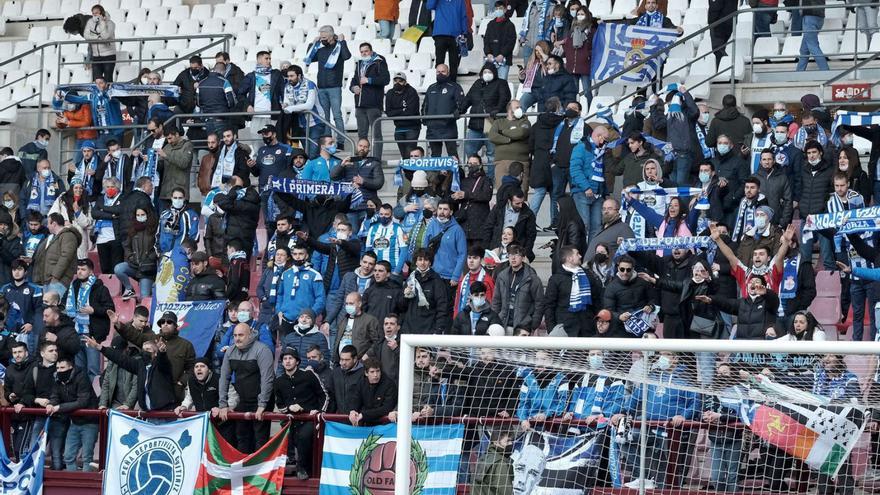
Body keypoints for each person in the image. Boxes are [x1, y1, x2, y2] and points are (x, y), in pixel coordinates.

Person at [218, 323, 275, 454]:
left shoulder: (262, 350)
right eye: (235, 335)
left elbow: (267, 379)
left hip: (260, 400)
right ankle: (244, 472)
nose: (237, 338)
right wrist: (222, 404)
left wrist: (262, 404)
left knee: (260, 439)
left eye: (241, 335)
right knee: (242, 437)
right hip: (242, 399)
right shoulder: (230, 351)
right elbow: (223, 378)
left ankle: (260, 472)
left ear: (250, 335)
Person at [274, 348, 328, 480]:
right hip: (291, 420)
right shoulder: (279, 381)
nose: (287, 361)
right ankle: (287, 466)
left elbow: (324, 395)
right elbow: (279, 404)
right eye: (285, 359)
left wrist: (319, 412)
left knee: (304, 436)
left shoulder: (308, 375)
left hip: (310, 419)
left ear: (297, 361)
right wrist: (288, 409)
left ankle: (302, 468)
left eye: (290, 358)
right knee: (286, 435)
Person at [63, 258, 113, 383]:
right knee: (79, 370)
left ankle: (95, 398)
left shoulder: (100, 288)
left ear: (91, 272)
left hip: (93, 334)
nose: (79, 272)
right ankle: (83, 396)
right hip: (77, 331)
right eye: (78, 269)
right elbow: (64, 303)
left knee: (93, 369)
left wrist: (93, 310)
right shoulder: (73, 286)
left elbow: (110, 309)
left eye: (83, 269)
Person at [47, 357, 99, 471]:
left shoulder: (82, 377)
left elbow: (83, 401)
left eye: (62, 367)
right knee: (68, 456)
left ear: (71, 367)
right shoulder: (57, 378)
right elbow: (55, 396)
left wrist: (59, 407)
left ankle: (87, 485)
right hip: (74, 422)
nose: (59, 370)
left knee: (87, 458)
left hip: (90, 422)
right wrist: (51, 404)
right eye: (57, 368)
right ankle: (72, 480)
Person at [462, 64, 512, 178]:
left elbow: (505, 98)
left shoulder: (501, 83)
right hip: (475, 123)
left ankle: (490, 179)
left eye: (489, 71)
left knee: (491, 153)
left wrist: (497, 109)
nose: (487, 74)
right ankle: (474, 176)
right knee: (470, 150)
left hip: (491, 122)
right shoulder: (477, 84)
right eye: (484, 72)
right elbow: (468, 98)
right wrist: (460, 110)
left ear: (494, 72)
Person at [306, 27, 351, 149]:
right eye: (321, 37)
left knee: (337, 115)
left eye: (324, 37)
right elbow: (309, 57)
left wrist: (342, 42)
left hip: (335, 87)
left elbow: (347, 56)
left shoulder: (339, 48)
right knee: (324, 116)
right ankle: (327, 141)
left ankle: (341, 141)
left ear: (331, 36)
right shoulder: (321, 51)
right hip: (321, 87)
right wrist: (313, 43)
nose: (322, 39)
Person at [542, 246, 602, 336]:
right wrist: (552, 330)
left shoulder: (588, 275)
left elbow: (596, 301)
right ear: (569, 258)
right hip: (565, 329)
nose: (581, 256)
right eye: (577, 254)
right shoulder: (556, 279)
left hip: (587, 328)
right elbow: (549, 306)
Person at [649, 85, 699, 186]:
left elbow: (695, 112)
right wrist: (653, 105)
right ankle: (674, 202)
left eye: (671, 103)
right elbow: (659, 124)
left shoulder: (687, 114)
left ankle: (683, 202)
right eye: (669, 104)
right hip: (670, 155)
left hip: (684, 154)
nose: (670, 106)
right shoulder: (670, 116)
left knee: (681, 183)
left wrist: (685, 93)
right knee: (672, 183)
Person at [528, 97, 565, 229]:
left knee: (539, 192)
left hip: (539, 161)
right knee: (555, 194)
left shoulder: (537, 125)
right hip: (555, 162)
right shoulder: (562, 124)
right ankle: (554, 223)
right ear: (557, 108)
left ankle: (530, 222)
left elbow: (530, 145)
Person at [491, 244, 544, 334]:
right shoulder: (502, 276)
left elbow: (539, 303)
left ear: (523, 258)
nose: (513, 258)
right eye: (511, 255)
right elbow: (496, 300)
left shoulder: (532, 278)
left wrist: (534, 324)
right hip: (503, 322)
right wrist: (494, 320)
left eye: (517, 255)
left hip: (523, 325)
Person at [799, 140, 835, 270]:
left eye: (814, 152)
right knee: (804, 257)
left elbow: (832, 193)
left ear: (821, 153)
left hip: (822, 218)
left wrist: (825, 209)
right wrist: (802, 209)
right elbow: (800, 190)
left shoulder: (830, 170)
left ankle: (831, 286)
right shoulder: (803, 170)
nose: (811, 155)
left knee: (827, 256)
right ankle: (805, 287)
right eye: (808, 153)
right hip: (806, 217)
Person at [570, 124, 609, 239]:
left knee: (597, 226)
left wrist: (604, 192)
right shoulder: (580, 148)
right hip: (583, 192)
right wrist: (586, 187)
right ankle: (580, 254)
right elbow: (575, 169)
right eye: (605, 140)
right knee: (584, 225)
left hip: (598, 194)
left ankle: (592, 255)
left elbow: (602, 172)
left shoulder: (602, 151)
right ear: (599, 136)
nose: (606, 143)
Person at [402, 248, 451, 335]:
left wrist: (438, 329)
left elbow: (442, 307)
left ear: (430, 262)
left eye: (426, 259)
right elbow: (402, 306)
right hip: (409, 328)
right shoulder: (410, 279)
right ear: (416, 262)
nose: (422, 262)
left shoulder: (436, 280)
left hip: (429, 329)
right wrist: (405, 297)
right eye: (420, 259)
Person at [278, 66, 323, 159]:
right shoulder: (287, 86)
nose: (289, 78)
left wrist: (290, 108)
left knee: (313, 154)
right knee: (307, 153)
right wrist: (285, 104)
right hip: (299, 125)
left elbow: (309, 105)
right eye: (288, 76)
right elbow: (287, 102)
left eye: (292, 76)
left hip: (315, 123)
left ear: (299, 76)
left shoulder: (310, 85)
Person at [32, 212, 82, 295]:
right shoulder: (51, 237)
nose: (47, 226)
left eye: (48, 223)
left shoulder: (68, 236)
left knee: (56, 306)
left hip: (59, 281)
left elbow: (66, 257)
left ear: (54, 224)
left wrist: (55, 276)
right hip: (48, 280)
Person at [238, 51, 284, 139]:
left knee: (274, 142)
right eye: (266, 58)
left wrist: (284, 103)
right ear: (259, 60)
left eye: (270, 59)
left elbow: (283, 91)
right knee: (257, 144)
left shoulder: (276, 74)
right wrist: (247, 106)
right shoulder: (251, 76)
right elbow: (240, 94)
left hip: (273, 115)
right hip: (257, 115)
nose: (269, 61)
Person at [350, 43, 390, 142]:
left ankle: (377, 157)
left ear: (371, 51)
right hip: (360, 104)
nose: (364, 53)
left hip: (373, 105)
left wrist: (369, 80)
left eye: (366, 51)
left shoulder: (379, 61)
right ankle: (362, 157)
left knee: (376, 135)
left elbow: (386, 80)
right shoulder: (360, 63)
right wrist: (353, 87)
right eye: (362, 52)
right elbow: (355, 79)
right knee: (361, 136)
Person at [483, 189, 537, 261]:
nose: (520, 205)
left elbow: (531, 235)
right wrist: (487, 248)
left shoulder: (528, 213)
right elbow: (488, 227)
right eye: (517, 203)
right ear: (509, 201)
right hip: (497, 248)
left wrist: (525, 252)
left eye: (522, 202)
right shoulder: (498, 209)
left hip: (517, 251)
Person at [423, 64, 465, 157]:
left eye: (443, 71)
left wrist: (458, 112)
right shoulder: (431, 87)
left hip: (448, 127)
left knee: (452, 155)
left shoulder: (455, 87)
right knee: (435, 156)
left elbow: (462, 103)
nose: (440, 74)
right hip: (432, 128)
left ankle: (455, 172)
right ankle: (436, 172)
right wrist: (425, 119)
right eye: (438, 72)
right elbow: (425, 105)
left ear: (448, 73)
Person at [1, 260, 43, 353]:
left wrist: (32, 324)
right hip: (7, 331)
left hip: (27, 332)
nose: (16, 272)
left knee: (28, 357)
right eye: (14, 269)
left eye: (20, 269)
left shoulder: (34, 289)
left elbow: (39, 310)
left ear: (26, 272)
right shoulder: (4, 289)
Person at [488, 102, 531, 190]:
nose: (520, 109)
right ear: (509, 109)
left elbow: (521, 133)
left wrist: (502, 132)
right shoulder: (498, 122)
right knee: (502, 192)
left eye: (520, 107)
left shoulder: (525, 121)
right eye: (517, 107)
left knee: (520, 194)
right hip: (501, 162)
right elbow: (492, 136)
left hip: (521, 161)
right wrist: (509, 139)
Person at [331, 291, 382, 365]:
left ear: (359, 304)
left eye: (351, 303)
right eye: (347, 304)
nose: (348, 306)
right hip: (341, 363)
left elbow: (377, 342)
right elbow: (337, 340)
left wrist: (365, 356)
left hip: (359, 364)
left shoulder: (370, 320)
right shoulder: (343, 320)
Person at [277, 245, 326, 320]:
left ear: (306, 256)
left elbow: (320, 298)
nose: (297, 257)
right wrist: (279, 311)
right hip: (285, 318)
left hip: (305, 319)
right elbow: (280, 294)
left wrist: (312, 313)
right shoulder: (285, 274)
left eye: (301, 254)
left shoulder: (315, 275)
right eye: (295, 254)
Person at [428, 0, 469, 82]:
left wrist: (464, 33)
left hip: (455, 35)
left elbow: (463, 16)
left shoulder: (460, 1)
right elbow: (429, 6)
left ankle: (453, 83)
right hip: (440, 34)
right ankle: (439, 83)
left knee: (454, 62)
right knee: (439, 60)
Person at [348, 359, 398, 426]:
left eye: (378, 371)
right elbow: (355, 398)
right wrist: (353, 410)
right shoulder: (361, 382)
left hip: (384, 425)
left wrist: (364, 415)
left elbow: (386, 408)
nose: (375, 375)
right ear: (366, 373)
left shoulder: (389, 385)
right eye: (372, 372)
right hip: (366, 424)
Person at [385, 72, 421, 159]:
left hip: (412, 127)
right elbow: (389, 113)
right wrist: (403, 110)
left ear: (405, 82)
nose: (397, 83)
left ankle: (410, 172)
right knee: (404, 155)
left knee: (409, 153)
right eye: (395, 80)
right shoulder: (390, 93)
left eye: (400, 81)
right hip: (398, 128)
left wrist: (396, 111)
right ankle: (407, 172)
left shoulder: (411, 92)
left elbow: (411, 111)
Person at [364, 204, 406, 276]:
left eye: (386, 214)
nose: (383, 216)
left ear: (391, 215)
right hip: (376, 271)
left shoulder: (398, 228)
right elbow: (368, 251)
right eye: (381, 214)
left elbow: (404, 251)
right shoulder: (372, 228)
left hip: (392, 270)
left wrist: (397, 271)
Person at [97, 336, 138, 411]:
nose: (116, 355)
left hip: (132, 406)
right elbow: (106, 383)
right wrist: (103, 404)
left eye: (119, 352)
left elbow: (136, 386)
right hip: (115, 404)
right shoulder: (112, 362)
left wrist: (127, 404)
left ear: (127, 349)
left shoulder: (136, 361)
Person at [756, 149, 794, 228]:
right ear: (760, 162)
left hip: (777, 222)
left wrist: (783, 221)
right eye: (764, 159)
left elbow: (788, 201)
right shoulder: (754, 178)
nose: (767, 162)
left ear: (774, 161)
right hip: (758, 221)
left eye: (769, 159)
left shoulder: (782, 177)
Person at [472, 427, 515, 495]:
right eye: (507, 441)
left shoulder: (483, 458)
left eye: (511, 441)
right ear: (496, 442)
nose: (511, 443)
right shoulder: (501, 462)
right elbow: (506, 491)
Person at [197, 63, 237, 135]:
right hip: (221, 118)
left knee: (211, 143)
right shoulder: (225, 82)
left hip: (207, 119)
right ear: (223, 71)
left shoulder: (201, 83)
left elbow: (198, 102)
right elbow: (232, 101)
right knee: (222, 143)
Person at [158, 186, 199, 253]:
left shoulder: (191, 214)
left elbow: (194, 236)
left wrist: (185, 252)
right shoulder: (165, 214)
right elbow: (158, 233)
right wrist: (158, 250)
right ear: (171, 198)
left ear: (184, 198)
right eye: (175, 198)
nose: (177, 200)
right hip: (164, 253)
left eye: (180, 198)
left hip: (181, 254)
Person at [484, 1, 517, 81]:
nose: (498, 10)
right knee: (489, 83)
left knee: (502, 83)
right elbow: (486, 40)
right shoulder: (490, 24)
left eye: (501, 8)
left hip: (504, 61)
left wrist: (502, 54)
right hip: (491, 59)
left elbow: (511, 42)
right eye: (497, 9)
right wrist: (488, 53)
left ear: (505, 10)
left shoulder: (510, 25)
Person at [327, 345, 364, 414]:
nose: (343, 363)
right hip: (339, 418)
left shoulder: (364, 373)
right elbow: (331, 396)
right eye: (341, 359)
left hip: (358, 419)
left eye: (347, 360)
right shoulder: (335, 373)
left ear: (355, 359)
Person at [83, 5, 116, 81]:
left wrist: (102, 23)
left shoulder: (111, 23)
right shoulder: (90, 22)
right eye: (93, 13)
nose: (94, 15)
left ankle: (108, 92)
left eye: (96, 13)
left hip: (109, 56)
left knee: (108, 79)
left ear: (102, 13)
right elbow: (86, 35)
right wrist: (97, 38)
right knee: (97, 79)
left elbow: (105, 37)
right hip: (96, 56)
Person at [796, 0, 830, 72]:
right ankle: (798, 73)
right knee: (804, 49)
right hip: (819, 17)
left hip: (810, 17)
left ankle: (826, 72)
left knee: (813, 46)